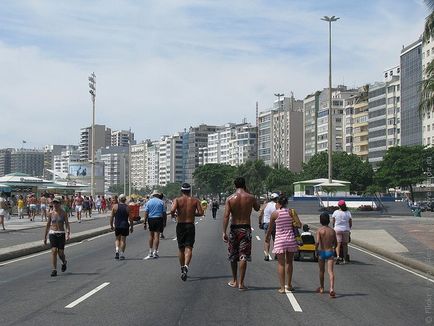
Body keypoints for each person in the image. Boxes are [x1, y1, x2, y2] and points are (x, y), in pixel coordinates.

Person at [222, 177, 260, 291]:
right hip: (246, 228)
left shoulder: (230, 198)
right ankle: (241, 283)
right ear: (245, 185)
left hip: (234, 228)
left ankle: (234, 280)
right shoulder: (250, 197)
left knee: (233, 255)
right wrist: (249, 193)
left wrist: (224, 231)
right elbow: (258, 208)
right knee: (243, 255)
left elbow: (226, 216)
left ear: (235, 186)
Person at [265, 194, 301, 293]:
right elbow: (299, 225)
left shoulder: (275, 214)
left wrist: (267, 237)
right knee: (289, 262)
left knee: (281, 264)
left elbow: (270, 228)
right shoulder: (291, 212)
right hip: (290, 240)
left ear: (279, 203)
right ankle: (289, 285)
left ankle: (282, 287)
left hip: (280, 241)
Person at [170, 183, 203, 281]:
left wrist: (175, 215)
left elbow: (172, 210)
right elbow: (201, 213)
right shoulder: (195, 200)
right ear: (189, 191)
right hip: (190, 225)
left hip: (180, 225)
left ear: (181, 191)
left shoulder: (177, 200)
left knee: (181, 248)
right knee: (189, 247)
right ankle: (186, 266)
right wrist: (192, 214)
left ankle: (182, 268)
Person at [43, 197, 70, 277]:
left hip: (61, 233)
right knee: (54, 251)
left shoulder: (63, 213)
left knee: (61, 253)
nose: (55, 204)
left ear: (60, 204)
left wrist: (68, 233)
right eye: (54, 203)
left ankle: (64, 261)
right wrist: (45, 237)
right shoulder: (51, 213)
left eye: (56, 203)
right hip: (53, 233)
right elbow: (48, 225)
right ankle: (54, 269)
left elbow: (67, 223)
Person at [315, 212, 337, 298]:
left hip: (322, 252)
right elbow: (335, 243)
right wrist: (334, 248)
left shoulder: (320, 230)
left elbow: (317, 242)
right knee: (330, 271)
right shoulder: (332, 231)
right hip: (330, 251)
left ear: (320, 220)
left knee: (321, 271)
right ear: (329, 220)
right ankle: (331, 288)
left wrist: (315, 249)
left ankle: (322, 287)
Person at [143, 190, 166, 259]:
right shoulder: (161, 202)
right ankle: (155, 252)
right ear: (158, 195)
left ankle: (150, 251)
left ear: (153, 195)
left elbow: (146, 212)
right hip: (159, 219)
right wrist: (164, 222)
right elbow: (164, 213)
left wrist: (144, 222)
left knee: (151, 235)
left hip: (151, 219)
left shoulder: (149, 202)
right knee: (157, 236)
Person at [110, 194, 133, 260]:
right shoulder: (127, 207)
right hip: (125, 225)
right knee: (123, 240)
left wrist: (111, 225)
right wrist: (131, 227)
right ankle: (122, 254)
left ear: (119, 199)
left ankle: (117, 251)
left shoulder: (115, 206)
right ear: (125, 200)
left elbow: (111, 217)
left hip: (117, 225)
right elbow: (131, 218)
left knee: (117, 239)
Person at [259, 193, 279, 261]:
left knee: (267, 239)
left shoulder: (265, 205)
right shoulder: (277, 205)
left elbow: (260, 215)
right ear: (276, 199)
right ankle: (276, 254)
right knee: (275, 239)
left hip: (267, 224)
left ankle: (267, 254)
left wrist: (260, 222)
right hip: (275, 224)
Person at [332, 199, 352, 264]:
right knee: (345, 245)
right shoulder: (348, 213)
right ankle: (345, 258)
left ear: (339, 206)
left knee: (338, 244)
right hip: (346, 230)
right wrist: (349, 229)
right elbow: (350, 222)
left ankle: (338, 256)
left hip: (337, 229)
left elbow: (333, 221)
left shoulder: (335, 212)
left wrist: (334, 227)